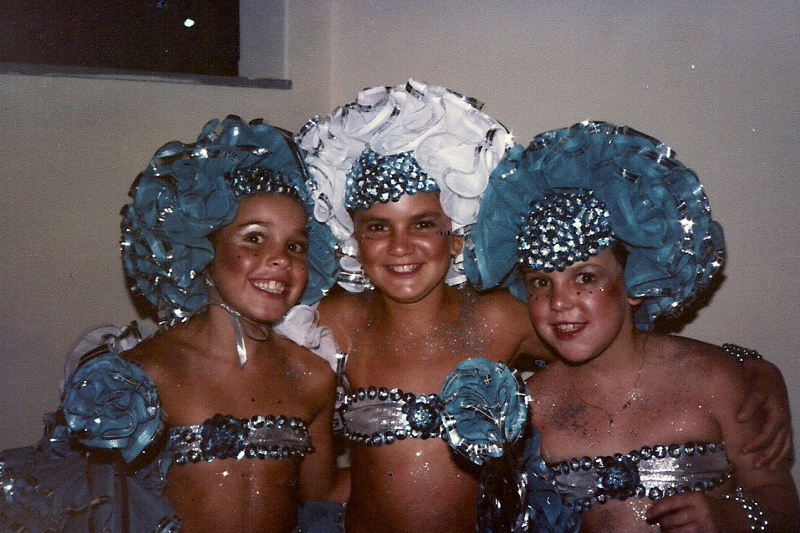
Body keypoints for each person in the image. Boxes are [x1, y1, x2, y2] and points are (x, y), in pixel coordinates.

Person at [0, 116, 341, 533]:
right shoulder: (143, 376)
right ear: (202, 248)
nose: (280, 259)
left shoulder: (312, 377)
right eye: (254, 238)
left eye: (296, 246)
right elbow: (94, 507)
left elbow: (321, 496)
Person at [466, 120, 799, 532]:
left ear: (637, 281)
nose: (559, 302)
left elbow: (780, 503)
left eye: (585, 277)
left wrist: (732, 519)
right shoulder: (529, 413)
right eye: (540, 282)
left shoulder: (715, 381)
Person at [296, 79, 566, 533]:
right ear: (352, 240)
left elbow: (600, 362)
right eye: (377, 228)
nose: (400, 247)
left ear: (457, 236)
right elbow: (319, 486)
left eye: (423, 224)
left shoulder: (498, 319)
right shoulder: (336, 324)